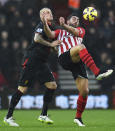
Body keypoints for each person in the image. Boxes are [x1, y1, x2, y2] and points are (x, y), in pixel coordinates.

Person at [43, 14, 113, 126]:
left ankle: (78, 117)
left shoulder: (81, 30)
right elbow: (49, 34)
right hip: (65, 57)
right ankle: (97, 73)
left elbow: (75, 32)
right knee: (81, 47)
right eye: (74, 18)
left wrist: (64, 25)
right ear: (68, 20)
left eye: (78, 19)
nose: (76, 20)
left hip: (77, 60)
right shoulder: (60, 32)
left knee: (85, 91)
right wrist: (45, 24)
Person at [4, 8, 61, 126]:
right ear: (41, 17)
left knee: (52, 85)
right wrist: (51, 44)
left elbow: (53, 47)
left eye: (50, 12)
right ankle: (8, 117)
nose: (48, 13)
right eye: (45, 13)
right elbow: (37, 38)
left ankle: (43, 115)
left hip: (42, 61)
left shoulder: (53, 28)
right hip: (32, 59)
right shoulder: (41, 25)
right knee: (22, 88)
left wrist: (56, 47)